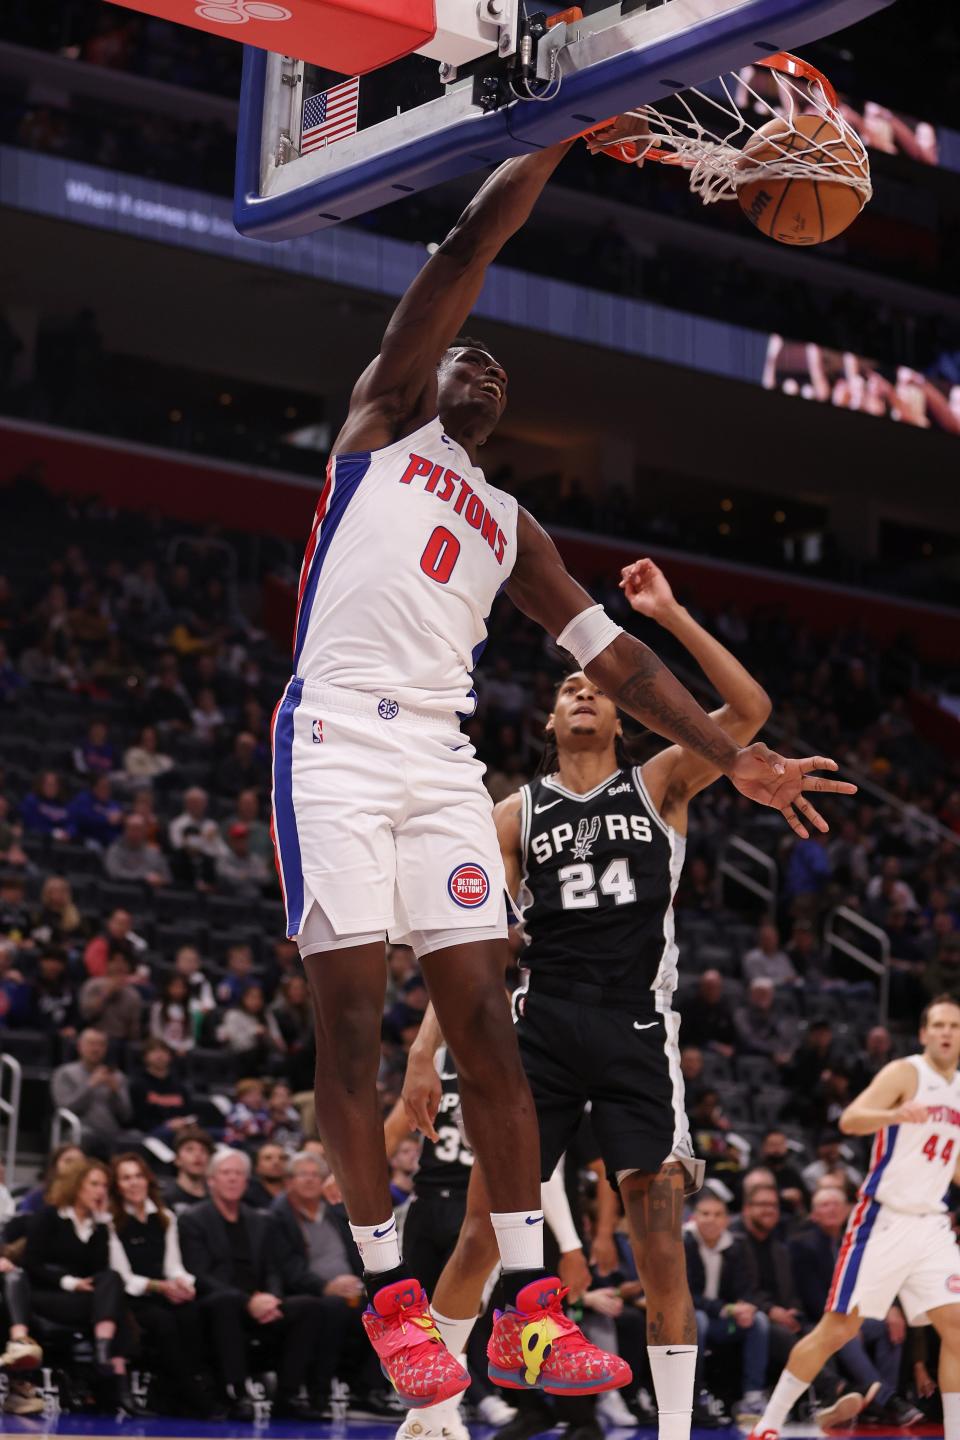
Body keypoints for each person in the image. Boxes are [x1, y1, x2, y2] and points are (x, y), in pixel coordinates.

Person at [271, 131, 852, 1406]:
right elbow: (473, 244)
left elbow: (623, 664)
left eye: (496, 364)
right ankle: (390, 1298)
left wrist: (733, 755)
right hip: (336, 745)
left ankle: (534, 1309)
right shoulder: (379, 424)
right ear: (428, 381)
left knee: (488, 1019)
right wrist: (549, 132)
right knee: (356, 1026)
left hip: (437, 752)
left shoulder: (512, 526)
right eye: (463, 357)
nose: (479, 362)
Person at [400, 557, 824, 1440]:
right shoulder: (513, 814)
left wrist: (668, 615)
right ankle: (430, 1419)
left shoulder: (664, 778)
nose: (584, 692)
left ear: (621, 713)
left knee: (659, 1240)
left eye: (595, 683)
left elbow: (748, 714)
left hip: (638, 1032)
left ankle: (671, 1433)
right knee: (483, 1229)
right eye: (567, 687)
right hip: (543, 1029)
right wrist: (419, 1048)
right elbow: (466, 945)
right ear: (552, 719)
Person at [749, 995, 960, 1440]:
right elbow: (850, 1119)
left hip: (932, 1224)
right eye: (938, 1025)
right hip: (883, 1218)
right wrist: (894, 1114)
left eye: (954, 1026)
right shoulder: (906, 1072)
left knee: (956, 1326)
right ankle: (769, 1424)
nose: (946, 1033)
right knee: (838, 1329)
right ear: (923, 1033)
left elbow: (952, 1162)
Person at [178, 1147, 331, 1420]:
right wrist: (247, 1301)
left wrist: (272, 1298)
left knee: (310, 1306)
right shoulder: (193, 1219)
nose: (233, 1179)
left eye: (239, 1174)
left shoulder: (260, 1220)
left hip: (260, 1301)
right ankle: (237, 1392)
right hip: (219, 1302)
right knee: (224, 1304)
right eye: (226, 1173)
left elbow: (272, 1269)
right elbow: (198, 1274)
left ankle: (289, 1394)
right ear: (211, 1180)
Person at [272, 1150, 399, 1417]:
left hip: (350, 1289)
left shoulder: (337, 1214)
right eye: (302, 1175)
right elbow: (286, 1266)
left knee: (384, 1307)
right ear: (290, 1181)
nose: (309, 1180)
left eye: (315, 1175)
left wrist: (367, 1283)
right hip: (309, 1292)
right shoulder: (278, 1217)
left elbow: (358, 1257)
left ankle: (368, 1390)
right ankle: (319, 1392)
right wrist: (324, 1286)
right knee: (333, 1309)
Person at [786, 1186, 907, 1427]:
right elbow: (813, 1299)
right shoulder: (802, 1244)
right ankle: (887, 1401)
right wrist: (848, 1320)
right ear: (814, 1214)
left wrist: (891, 1308)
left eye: (836, 1203)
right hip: (819, 1320)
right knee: (845, 1334)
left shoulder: (856, 1242)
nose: (831, 1209)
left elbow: (876, 1281)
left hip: (854, 1316)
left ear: (847, 1210)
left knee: (889, 1327)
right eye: (824, 1205)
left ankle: (880, 1404)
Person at [24, 1158, 136, 1412]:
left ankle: (102, 1348)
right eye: (94, 1184)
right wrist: (69, 1282)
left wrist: (104, 1225)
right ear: (76, 1186)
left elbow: (98, 1270)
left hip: (85, 1301)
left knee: (111, 1278)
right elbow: (31, 1264)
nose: (100, 1191)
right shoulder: (49, 1217)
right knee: (117, 1308)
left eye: (105, 1186)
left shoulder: (99, 1226)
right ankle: (117, 1381)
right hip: (49, 1295)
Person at [107, 1153, 209, 1415]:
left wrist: (184, 1284)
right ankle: (190, 1392)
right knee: (162, 1321)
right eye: (126, 1178)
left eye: (138, 1176)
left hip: (164, 1290)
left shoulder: (165, 1216)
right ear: (117, 1185)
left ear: (148, 1180)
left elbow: (173, 1266)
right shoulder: (111, 1222)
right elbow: (123, 1276)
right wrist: (161, 1287)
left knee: (193, 1312)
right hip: (131, 1297)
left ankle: (171, 1392)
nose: (134, 1183)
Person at [685, 1192, 769, 1425]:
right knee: (697, 1319)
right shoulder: (683, 1243)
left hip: (723, 1321)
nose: (711, 1219)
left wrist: (746, 1308)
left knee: (758, 1321)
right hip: (695, 1317)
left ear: (726, 1220)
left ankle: (753, 1397)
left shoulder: (736, 1245)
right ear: (694, 1217)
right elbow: (686, 1294)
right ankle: (693, 1396)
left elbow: (747, 1288)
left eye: (718, 1214)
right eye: (705, 1214)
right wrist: (726, 1309)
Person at [50, 1027, 133, 1154]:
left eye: (101, 1045)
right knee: (87, 1137)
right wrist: (90, 1085)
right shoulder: (64, 1073)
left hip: (111, 1132)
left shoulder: (117, 1076)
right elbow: (65, 1109)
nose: (96, 1049)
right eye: (91, 1044)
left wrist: (115, 1092)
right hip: (79, 1130)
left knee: (136, 1139)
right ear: (79, 1046)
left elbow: (126, 1116)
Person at [163, 1126, 214, 1215]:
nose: (198, 1154)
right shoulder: (165, 1198)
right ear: (177, 1159)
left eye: (203, 1150)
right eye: (189, 1149)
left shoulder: (217, 1198)